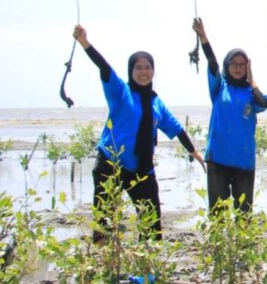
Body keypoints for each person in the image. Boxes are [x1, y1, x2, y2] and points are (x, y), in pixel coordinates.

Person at [72, 25, 205, 240]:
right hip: (111, 163)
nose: (143, 72)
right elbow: (104, 68)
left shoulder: (156, 103)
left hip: (142, 168)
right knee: (104, 222)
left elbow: (177, 129)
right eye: (138, 68)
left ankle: (147, 272)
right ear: (131, 71)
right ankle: (101, 266)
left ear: (153, 71)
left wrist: (194, 152)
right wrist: (85, 43)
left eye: (147, 67)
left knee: (151, 222)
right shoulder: (120, 92)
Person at [193, 18, 267, 213]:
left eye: (242, 64)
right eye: (234, 64)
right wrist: (203, 37)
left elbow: (264, 103)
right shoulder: (219, 87)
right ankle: (219, 245)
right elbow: (212, 63)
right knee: (217, 213)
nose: (238, 68)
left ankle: (242, 245)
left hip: (244, 161)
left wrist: (252, 80)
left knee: (244, 213)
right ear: (227, 66)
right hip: (217, 158)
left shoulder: (251, 93)